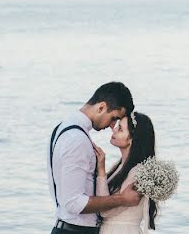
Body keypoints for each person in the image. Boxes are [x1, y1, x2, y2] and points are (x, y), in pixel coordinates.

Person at [48, 82, 142, 234]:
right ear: (101, 107)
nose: (112, 126)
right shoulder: (77, 139)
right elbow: (74, 203)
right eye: (113, 118)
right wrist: (123, 199)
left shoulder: (63, 128)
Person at [93, 111, 159, 233]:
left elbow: (105, 210)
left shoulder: (137, 172)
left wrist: (101, 170)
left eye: (120, 129)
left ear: (132, 140)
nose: (114, 130)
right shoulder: (120, 166)